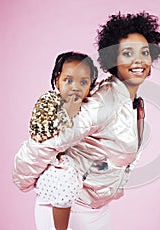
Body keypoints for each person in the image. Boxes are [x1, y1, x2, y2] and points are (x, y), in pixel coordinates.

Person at [12, 11, 160, 229]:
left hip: (96, 208)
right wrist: (23, 179)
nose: (138, 60)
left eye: (144, 52)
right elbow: (51, 139)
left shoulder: (132, 102)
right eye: (127, 53)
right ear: (113, 59)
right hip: (69, 208)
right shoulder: (104, 102)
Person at [28, 51, 98, 230]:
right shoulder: (49, 101)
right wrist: (67, 113)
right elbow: (39, 131)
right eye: (68, 80)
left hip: (77, 167)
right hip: (51, 162)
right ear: (57, 80)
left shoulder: (88, 105)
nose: (75, 87)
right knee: (63, 180)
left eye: (83, 82)